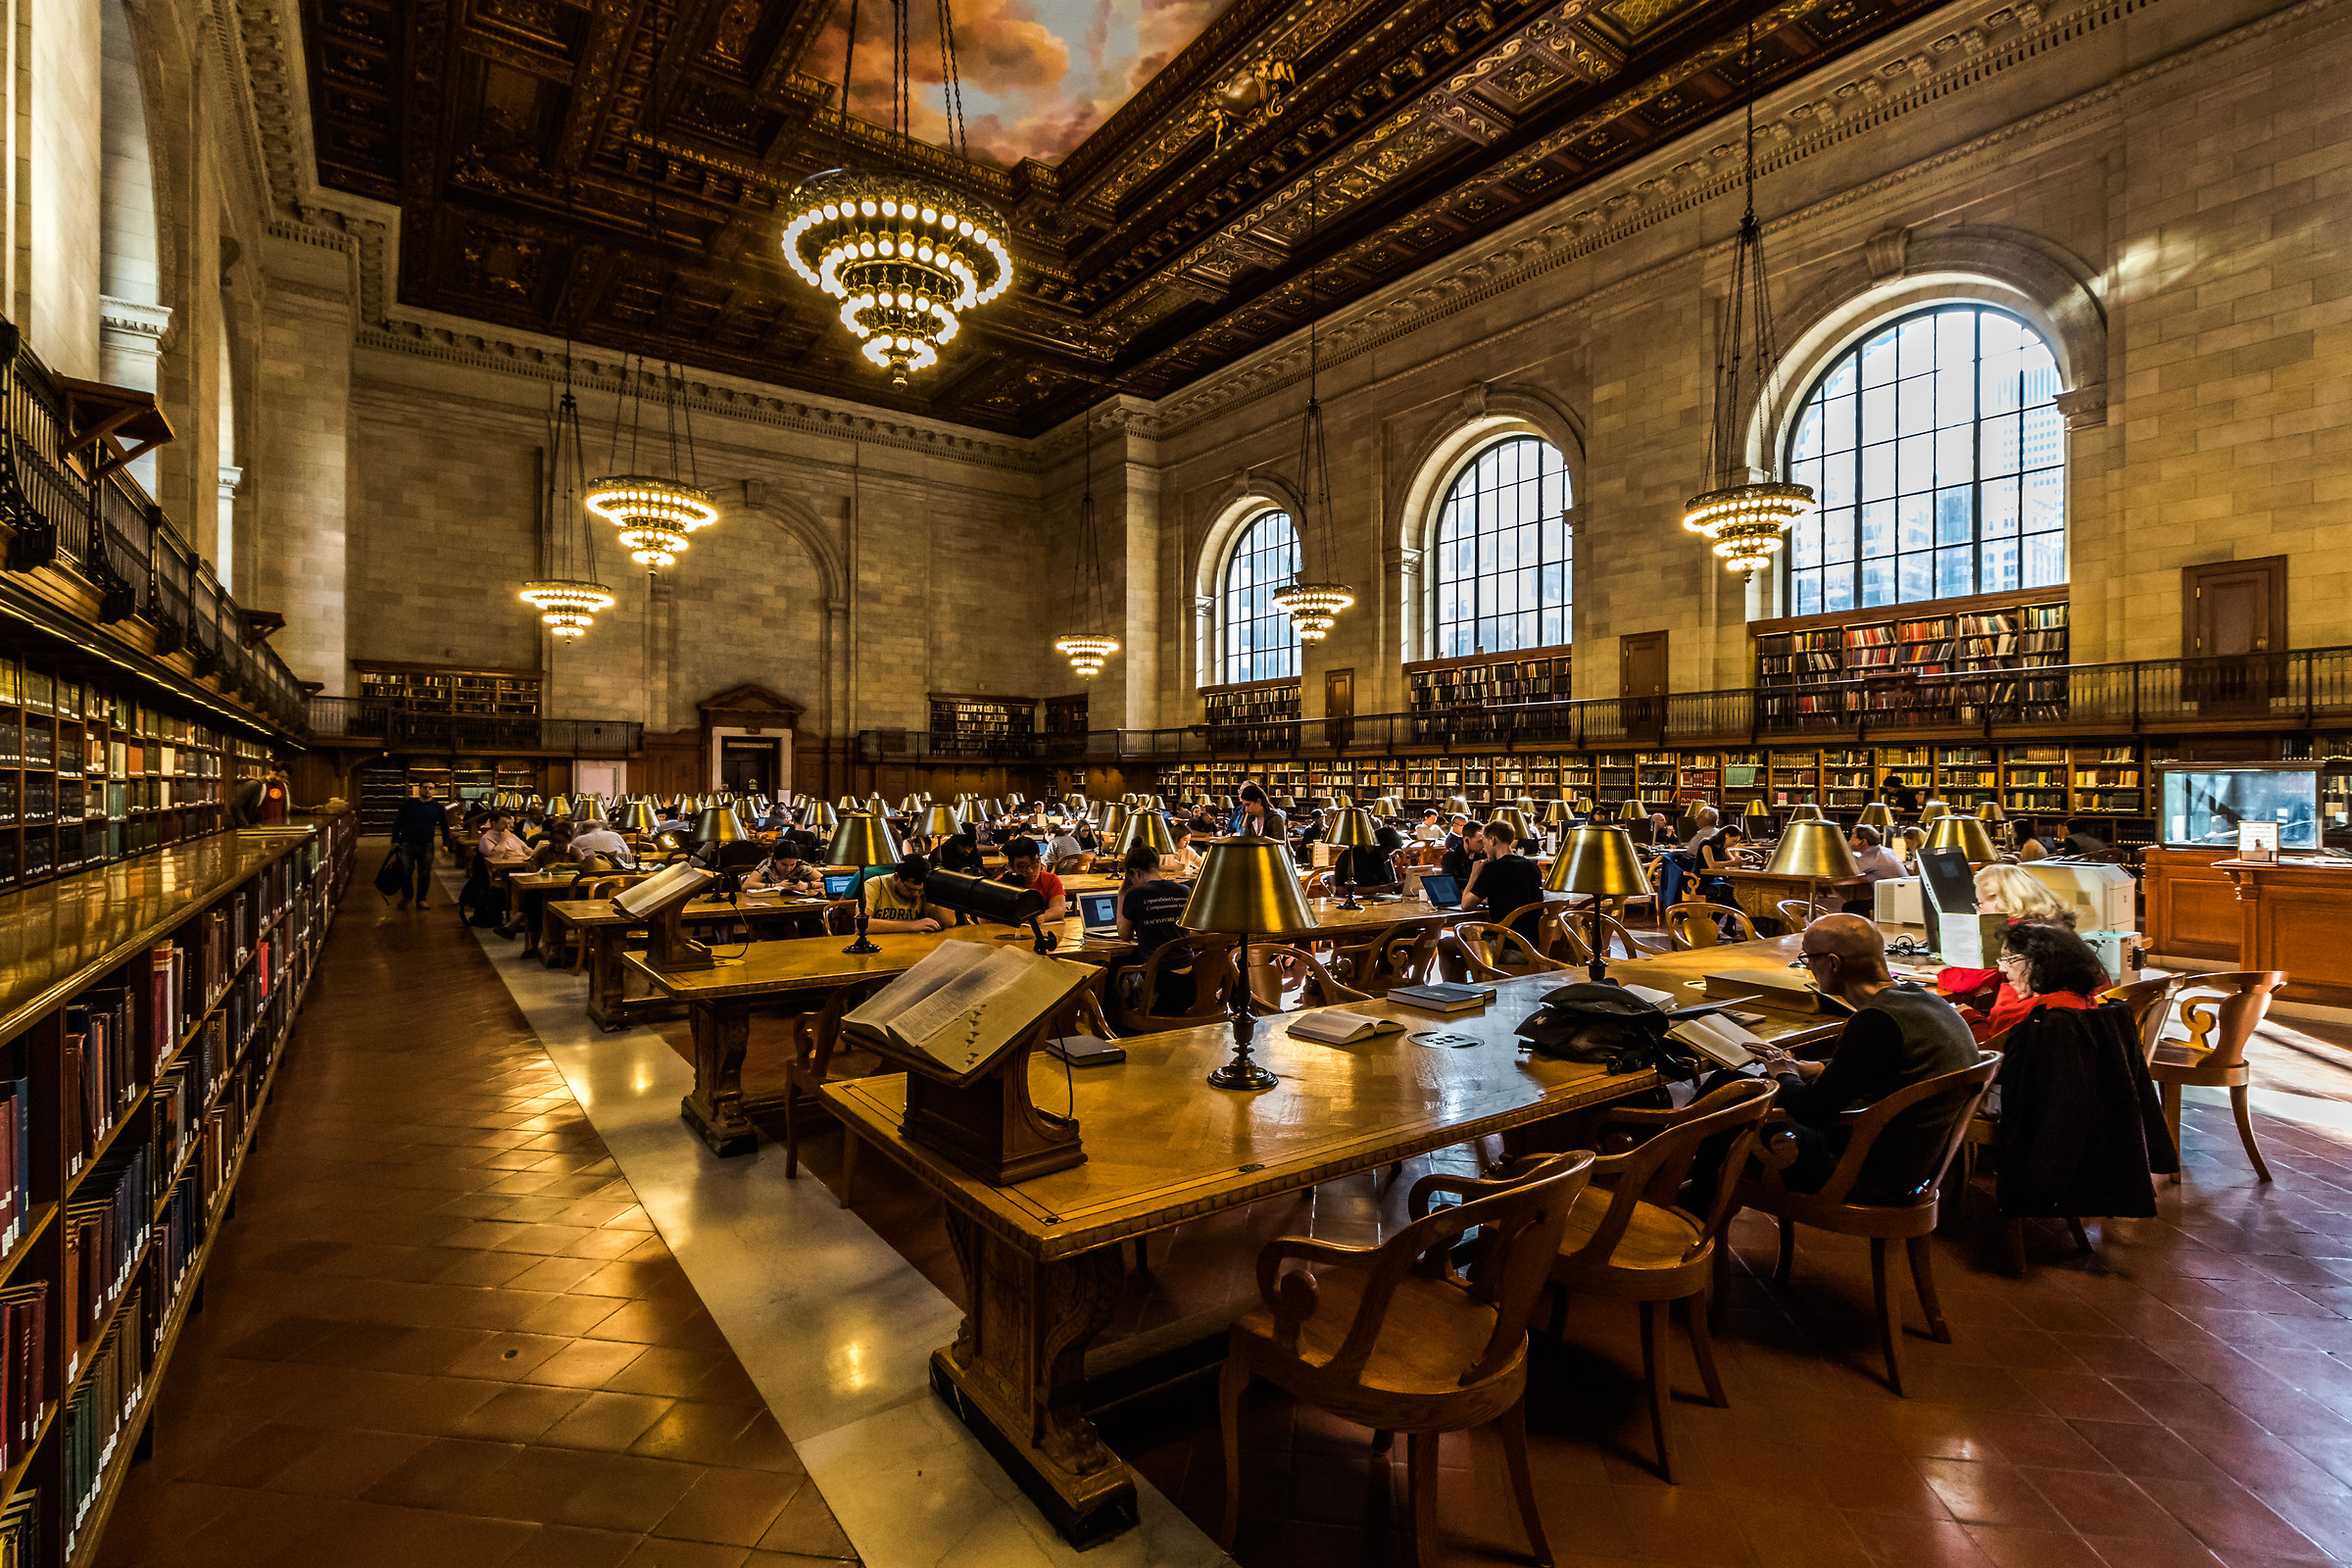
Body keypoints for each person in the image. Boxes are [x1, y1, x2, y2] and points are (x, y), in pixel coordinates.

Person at [1738, 915, 1981, 1202]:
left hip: (1859, 1173)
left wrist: (1783, 1073)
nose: (1809, 968)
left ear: (1833, 963)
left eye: (1808, 959)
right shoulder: (1924, 999)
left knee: (1736, 1096)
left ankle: (1687, 1208)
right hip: (1911, 1163)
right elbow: (1873, 1065)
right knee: (1742, 1096)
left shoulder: (1875, 1020)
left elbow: (1812, 1111)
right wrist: (1813, 1068)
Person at [1967, 920, 2111, 1043]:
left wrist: (1970, 1018)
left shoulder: (2043, 1015)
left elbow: (1990, 1051)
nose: (2001, 969)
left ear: (2041, 963)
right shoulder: (2076, 999)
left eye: (2009, 959)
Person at [1116, 843, 1198, 1012]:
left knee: (1114, 981)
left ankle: (1125, 1033)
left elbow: (1124, 935)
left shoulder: (1134, 894)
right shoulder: (1183, 890)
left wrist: (1122, 894)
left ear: (1134, 872)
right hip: (1190, 976)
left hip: (1159, 979)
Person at [1460, 819, 1544, 943]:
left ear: (1493, 840)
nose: (1484, 849)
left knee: (1447, 943)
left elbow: (1466, 905)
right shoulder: (1532, 867)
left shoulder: (1493, 868)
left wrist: (1474, 874)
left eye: (1484, 843)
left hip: (1506, 947)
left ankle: (1478, 963)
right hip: (1533, 946)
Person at [390, 786, 452, 910]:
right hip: (407, 843)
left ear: (434, 791)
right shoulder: (409, 804)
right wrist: (395, 840)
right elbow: (398, 822)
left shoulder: (438, 807)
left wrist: (446, 844)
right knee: (405, 872)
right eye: (425, 787)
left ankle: (421, 899)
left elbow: (445, 826)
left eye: (431, 788)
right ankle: (407, 897)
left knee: (424, 873)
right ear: (420, 789)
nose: (427, 790)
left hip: (427, 845)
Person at [860, 857, 949, 933]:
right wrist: (912, 925)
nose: (916, 895)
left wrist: (938, 890)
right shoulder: (875, 885)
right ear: (896, 877)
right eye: (910, 889)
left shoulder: (923, 890)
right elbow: (862, 925)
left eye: (919, 890)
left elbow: (949, 921)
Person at [997, 837, 1068, 923]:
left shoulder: (1050, 880)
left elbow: (1059, 909)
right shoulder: (1001, 884)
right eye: (1022, 867)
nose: (1030, 870)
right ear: (1010, 866)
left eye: (1034, 864)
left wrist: (1041, 917)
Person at [1335, 826, 1402, 895]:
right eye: (1386, 853)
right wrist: (1380, 889)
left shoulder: (1384, 859)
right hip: (1357, 903)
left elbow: (1392, 883)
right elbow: (1342, 890)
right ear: (1375, 846)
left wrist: (1400, 886)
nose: (1388, 858)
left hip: (1382, 903)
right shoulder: (1349, 856)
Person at [744, 842, 823, 895]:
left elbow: (825, 882)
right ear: (775, 859)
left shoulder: (800, 866)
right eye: (784, 864)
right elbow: (746, 886)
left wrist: (807, 885)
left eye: (792, 865)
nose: (788, 869)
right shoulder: (767, 865)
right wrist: (776, 886)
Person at [569, 818, 633, 867]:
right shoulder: (615, 835)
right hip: (618, 871)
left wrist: (576, 836)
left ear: (582, 830)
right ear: (600, 827)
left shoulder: (578, 840)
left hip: (591, 873)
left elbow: (571, 859)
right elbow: (628, 855)